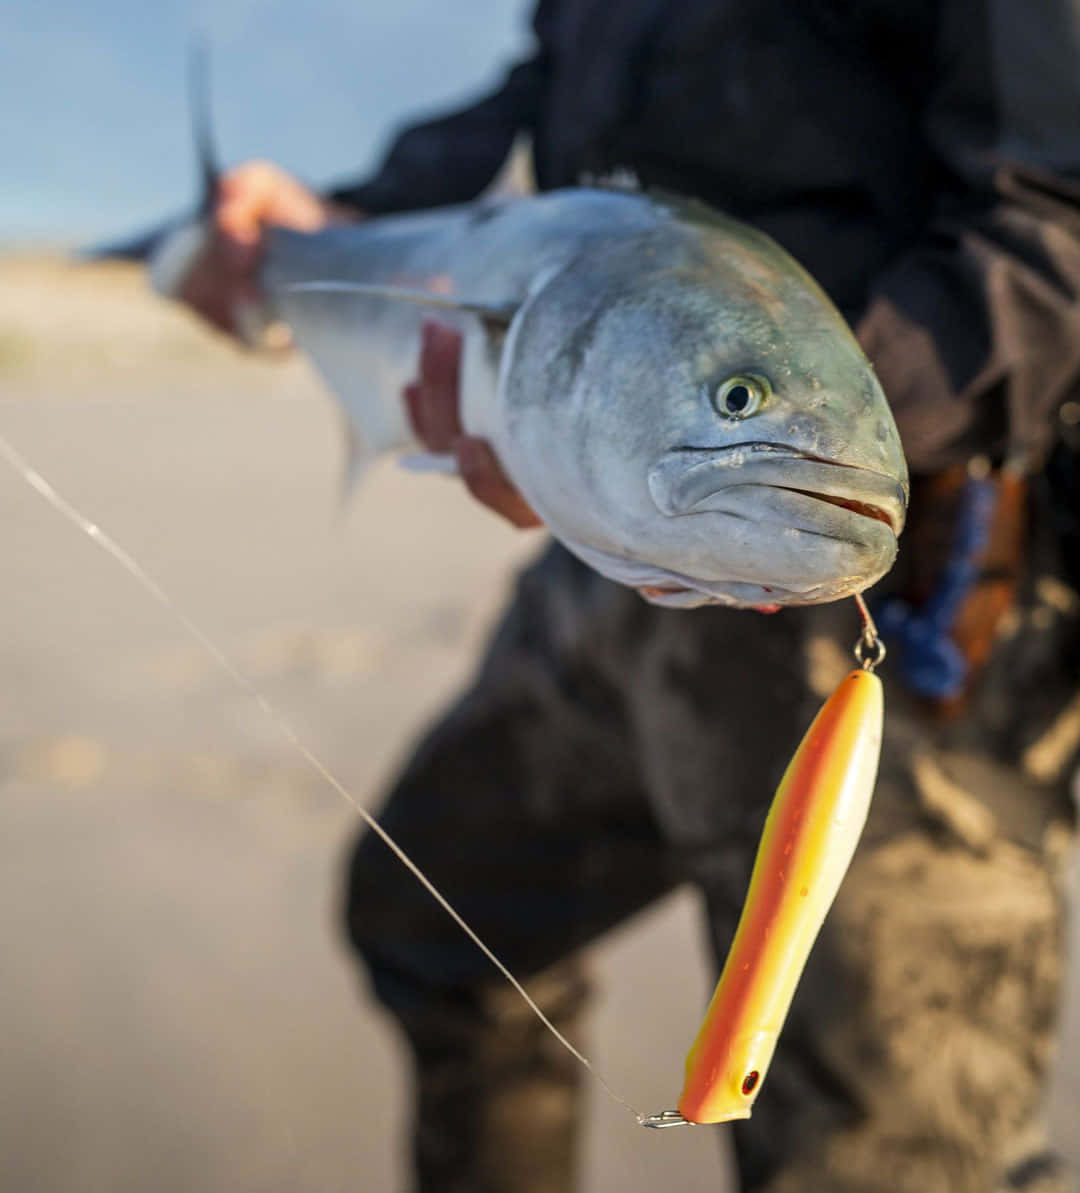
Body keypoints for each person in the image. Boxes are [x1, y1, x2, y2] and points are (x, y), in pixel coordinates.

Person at [179, 3, 1080, 1190]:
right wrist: (336, 225)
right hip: (603, 557)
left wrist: (798, 433)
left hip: (909, 613)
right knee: (436, 926)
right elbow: (542, 103)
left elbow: (1056, 223)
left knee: (882, 1156)